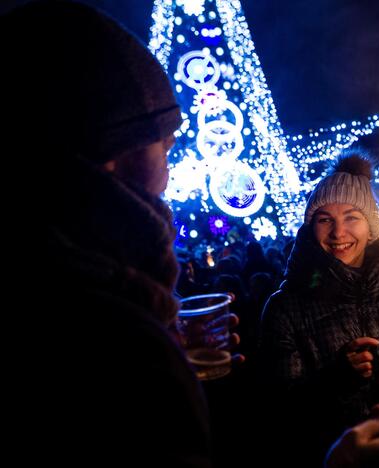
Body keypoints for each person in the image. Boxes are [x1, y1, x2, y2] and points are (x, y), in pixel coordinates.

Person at [1, 2, 241, 465]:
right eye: (164, 147)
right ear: (117, 151)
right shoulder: (116, 350)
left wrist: (170, 345)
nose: (168, 174)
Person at [259, 153, 379, 465]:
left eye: (352, 217)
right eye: (325, 219)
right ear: (312, 228)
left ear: (372, 226)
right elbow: (277, 409)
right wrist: (337, 377)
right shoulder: (285, 308)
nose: (339, 233)